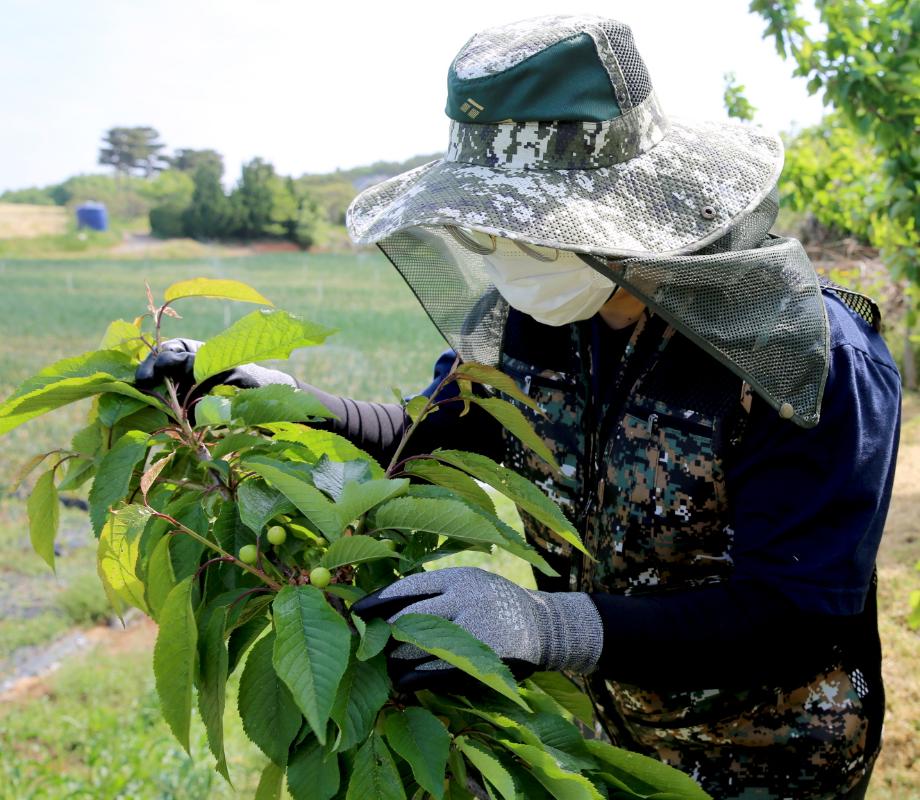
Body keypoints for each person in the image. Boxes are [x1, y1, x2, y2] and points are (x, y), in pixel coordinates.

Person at [136, 16, 902, 799]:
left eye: (530, 226)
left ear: (627, 208)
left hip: (770, 755)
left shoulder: (800, 356)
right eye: (489, 225)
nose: (503, 249)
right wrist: (284, 401)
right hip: (614, 736)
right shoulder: (531, 329)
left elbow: (795, 611)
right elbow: (426, 436)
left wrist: (550, 627)